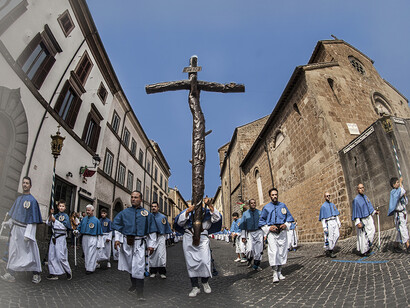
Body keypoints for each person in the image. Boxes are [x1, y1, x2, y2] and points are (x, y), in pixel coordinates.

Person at [112, 191, 157, 301]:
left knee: (139, 267)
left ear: (141, 199)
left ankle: (140, 293)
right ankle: (134, 284)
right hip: (127, 243)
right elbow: (118, 227)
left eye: (136, 197)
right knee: (130, 265)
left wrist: (151, 245)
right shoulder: (124, 213)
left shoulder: (147, 214)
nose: (133, 199)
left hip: (140, 244)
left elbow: (152, 231)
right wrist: (117, 239)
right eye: (132, 197)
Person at [175, 197, 221, 297]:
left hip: (203, 238)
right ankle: (195, 287)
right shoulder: (187, 212)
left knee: (205, 261)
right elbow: (179, 222)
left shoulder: (208, 211)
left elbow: (216, 218)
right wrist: (188, 211)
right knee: (191, 264)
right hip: (189, 238)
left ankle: (205, 282)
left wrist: (210, 205)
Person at [0, 177, 43, 284]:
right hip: (15, 230)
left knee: (31, 254)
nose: (25, 184)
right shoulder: (18, 199)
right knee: (14, 252)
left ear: (30, 186)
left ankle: (36, 274)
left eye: (27, 183)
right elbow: (15, 216)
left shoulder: (32, 201)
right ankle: (10, 273)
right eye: (23, 183)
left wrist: (28, 234)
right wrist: (8, 223)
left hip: (25, 231)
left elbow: (32, 220)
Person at [259, 188, 294, 283]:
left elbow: (289, 218)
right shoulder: (266, 208)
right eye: (273, 195)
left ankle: (280, 271)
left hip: (282, 231)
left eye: (276, 194)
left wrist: (285, 225)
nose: (274, 196)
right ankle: (274, 272)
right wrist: (268, 228)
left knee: (282, 251)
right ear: (270, 196)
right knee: (273, 252)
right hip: (272, 233)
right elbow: (262, 221)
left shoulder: (283, 206)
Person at [46, 200, 72, 280]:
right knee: (52, 255)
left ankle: (68, 271)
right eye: (60, 206)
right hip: (54, 237)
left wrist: (55, 221)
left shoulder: (66, 216)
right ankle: (54, 273)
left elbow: (64, 227)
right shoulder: (55, 215)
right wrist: (51, 215)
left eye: (63, 206)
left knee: (61, 256)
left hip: (60, 237)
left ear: (65, 207)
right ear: (58, 207)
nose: (61, 207)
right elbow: (48, 223)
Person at [75, 204, 103, 274]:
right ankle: (87, 266)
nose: (87, 212)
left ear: (92, 211)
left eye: (89, 210)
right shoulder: (84, 219)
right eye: (87, 210)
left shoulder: (96, 221)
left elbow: (99, 233)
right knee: (86, 252)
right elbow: (80, 227)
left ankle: (90, 268)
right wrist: (76, 231)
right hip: (85, 237)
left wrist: (99, 243)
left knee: (91, 253)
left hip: (93, 238)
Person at [352, 183, 379, 256]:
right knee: (363, 235)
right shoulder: (356, 200)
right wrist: (358, 222)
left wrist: (374, 212)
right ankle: (364, 251)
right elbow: (356, 211)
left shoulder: (366, 197)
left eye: (363, 187)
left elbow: (369, 206)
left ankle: (368, 246)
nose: (362, 189)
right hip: (362, 219)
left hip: (369, 217)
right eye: (360, 188)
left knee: (372, 231)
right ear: (357, 190)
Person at [149, 202, 172, 279]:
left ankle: (162, 272)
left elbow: (166, 228)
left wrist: (165, 237)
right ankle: (153, 271)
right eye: (152, 206)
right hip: (152, 237)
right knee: (152, 255)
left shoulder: (163, 217)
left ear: (158, 208)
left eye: (155, 206)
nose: (153, 208)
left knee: (161, 255)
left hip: (160, 236)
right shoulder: (149, 217)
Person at [240, 199, 264, 271]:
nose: (253, 204)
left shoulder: (260, 213)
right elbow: (243, 225)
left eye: (254, 203)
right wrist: (243, 236)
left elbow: (263, 223)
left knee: (258, 250)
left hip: (259, 232)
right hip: (250, 233)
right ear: (249, 205)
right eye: (251, 203)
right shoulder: (245, 214)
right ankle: (249, 259)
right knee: (250, 249)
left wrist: (265, 234)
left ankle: (256, 265)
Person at [388, 177, 410, 253]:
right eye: (397, 182)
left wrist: (404, 196)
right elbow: (400, 193)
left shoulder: (399, 191)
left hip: (403, 212)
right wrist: (401, 182)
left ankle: (395, 246)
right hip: (398, 215)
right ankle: (408, 245)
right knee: (403, 229)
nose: (398, 183)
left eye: (398, 182)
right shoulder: (393, 192)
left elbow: (405, 201)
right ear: (393, 185)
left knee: (400, 231)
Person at [319, 192, 341, 258]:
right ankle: (331, 250)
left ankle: (330, 247)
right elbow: (323, 218)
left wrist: (338, 222)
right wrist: (324, 227)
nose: (328, 197)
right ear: (325, 197)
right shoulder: (323, 206)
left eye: (329, 195)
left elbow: (336, 214)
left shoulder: (333, 205)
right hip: (329, 222)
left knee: (337, 235)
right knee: (330, 237)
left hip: (334, 221)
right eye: (327, 196)